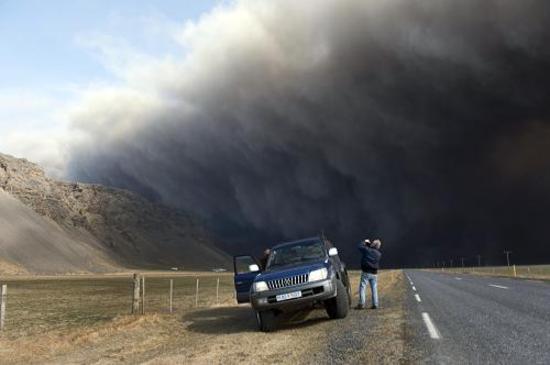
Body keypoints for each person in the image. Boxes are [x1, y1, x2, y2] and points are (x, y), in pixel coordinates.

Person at [356, 238, 382, 309]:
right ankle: (375, 304)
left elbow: (359, 246)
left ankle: (361, 303)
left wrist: (365, 242)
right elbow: (372, 250)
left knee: (362, 287)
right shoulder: (379, 254)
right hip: (374, 273)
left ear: (373, 244)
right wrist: (369, 245)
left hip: (366, 272)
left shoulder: (367, 250)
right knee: (374, 288)